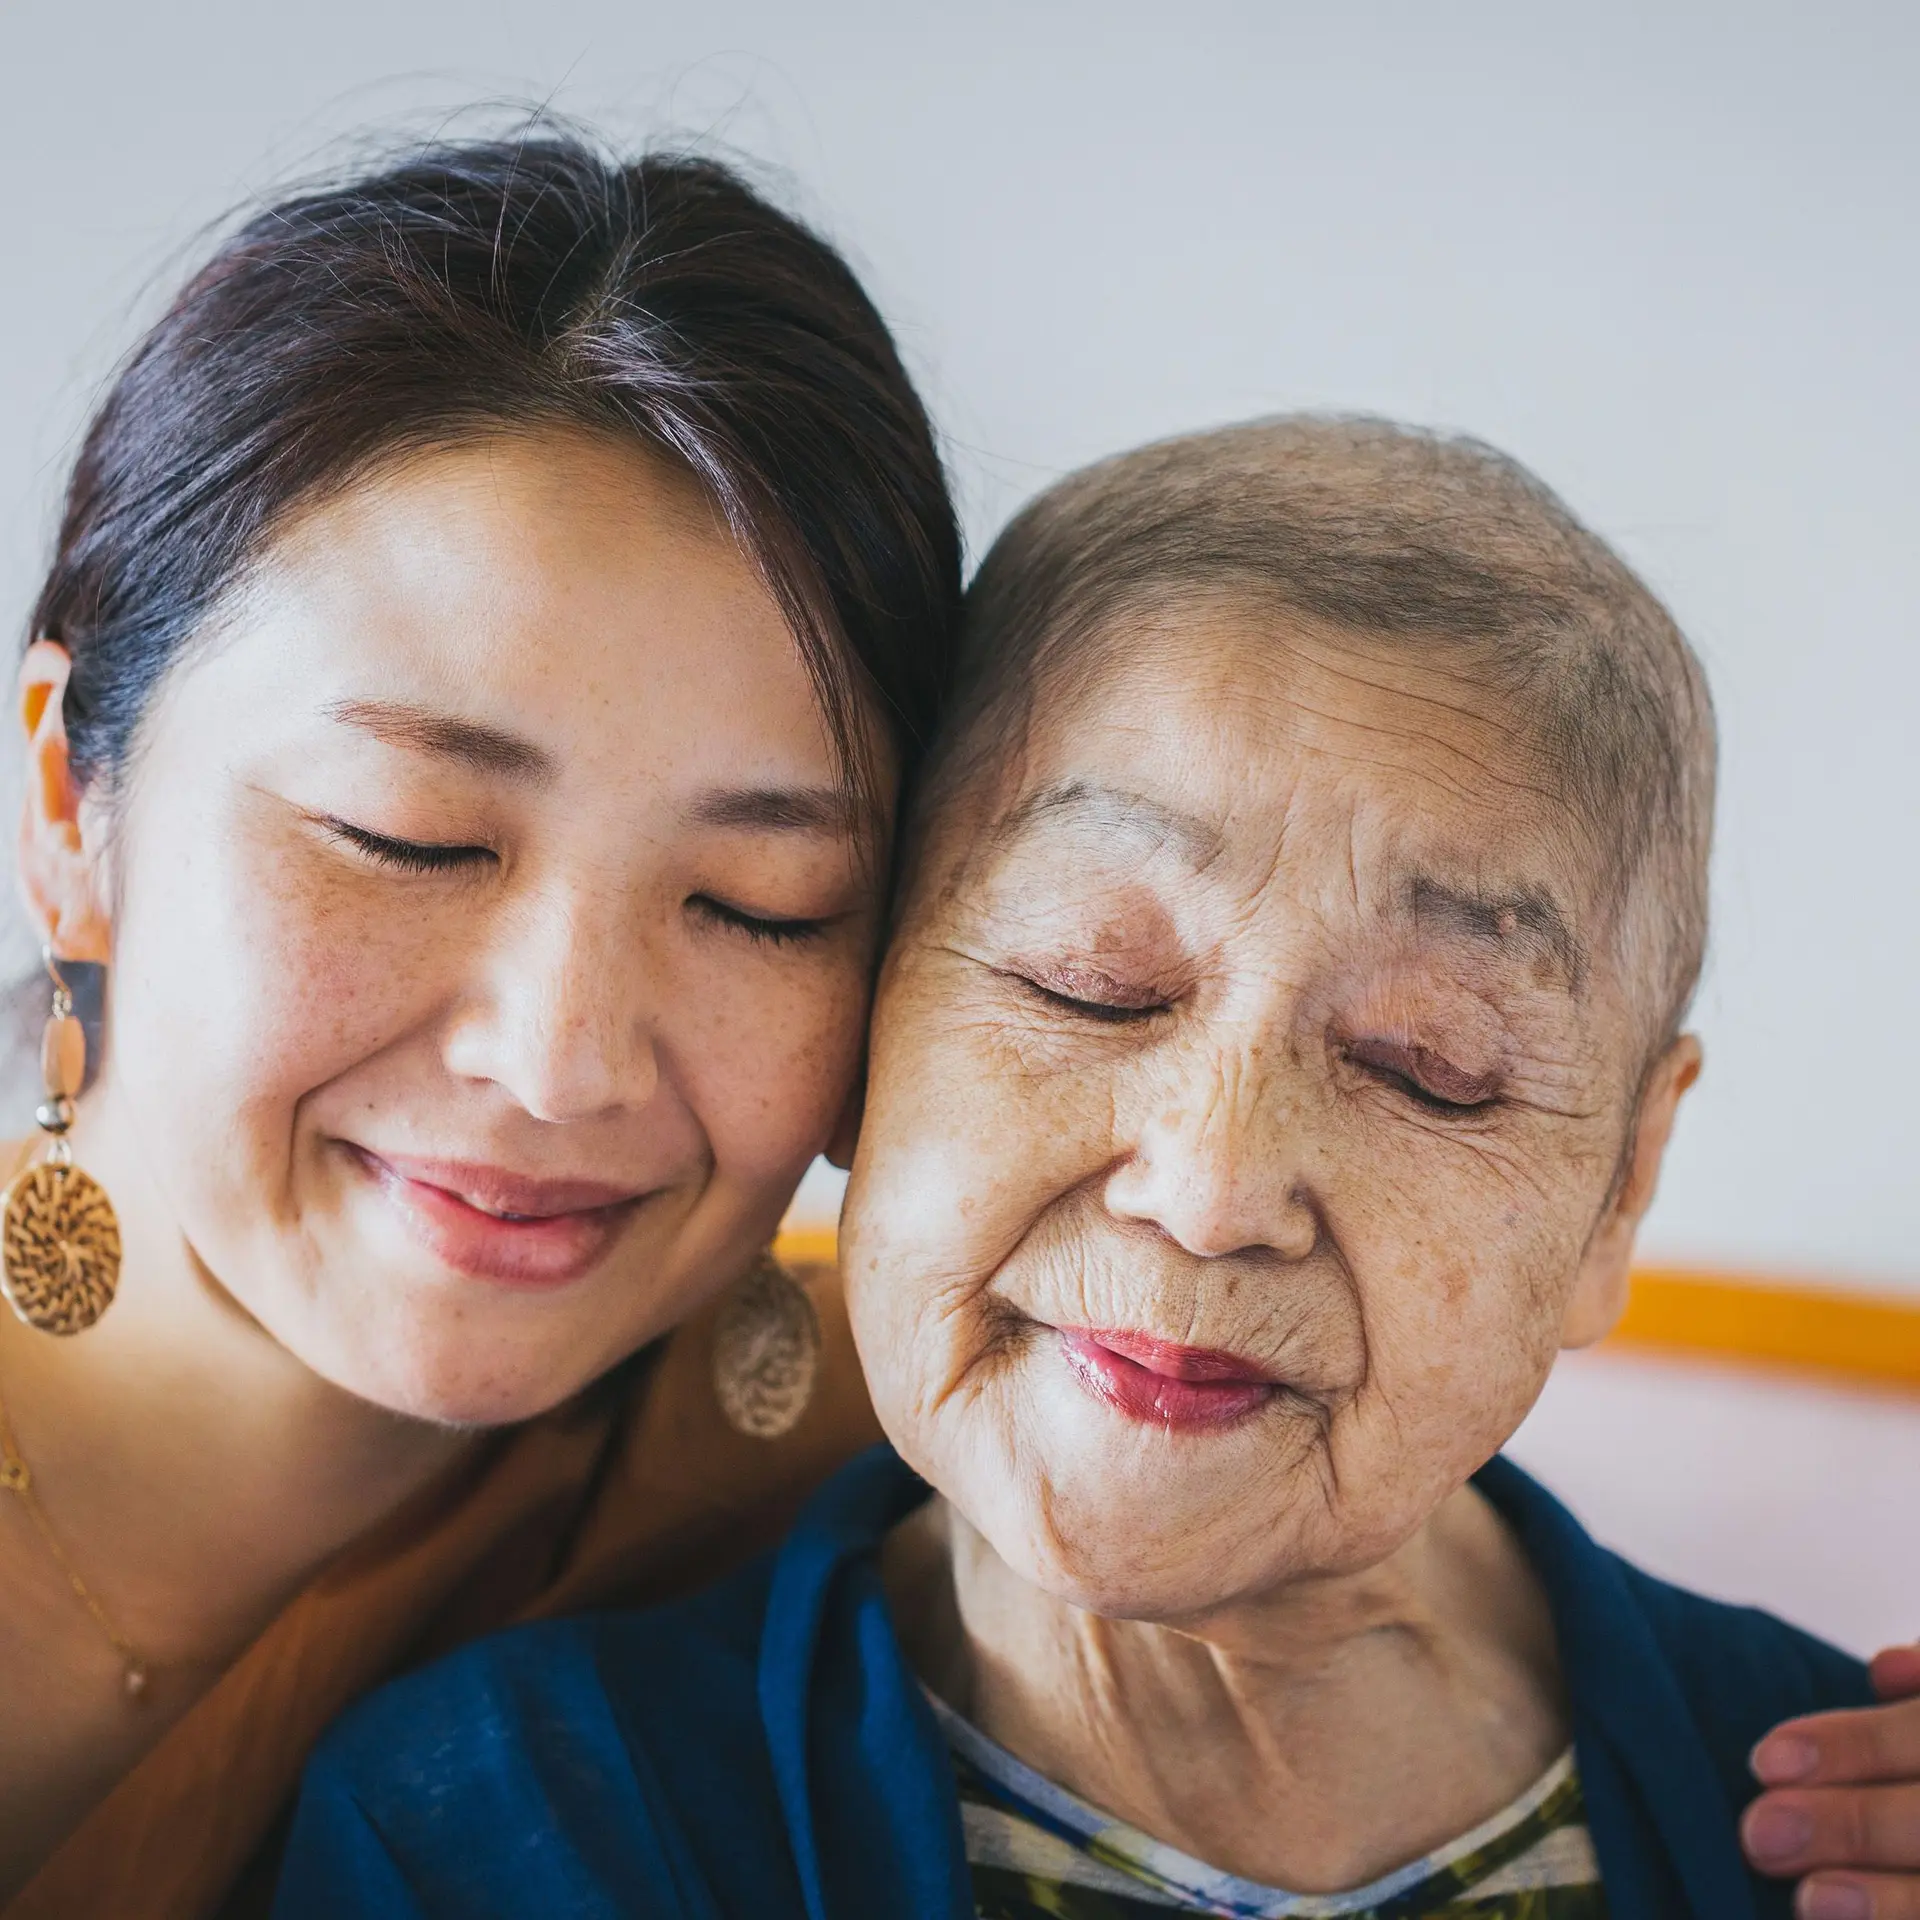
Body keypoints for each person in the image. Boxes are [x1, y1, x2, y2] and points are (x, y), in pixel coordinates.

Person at [275, 418, 1919, 1920]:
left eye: (1429, 1067)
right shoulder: (513, 1826)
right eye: (1088, 981)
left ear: (1619, 1190)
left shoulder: (1836, 1807)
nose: (1209, 1184)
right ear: (864, 1033)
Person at [0, 129, 961, 1917]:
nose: (559, 1061)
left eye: (764, 906)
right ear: (73, 808)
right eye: (406, 837)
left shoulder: (936, 1475)